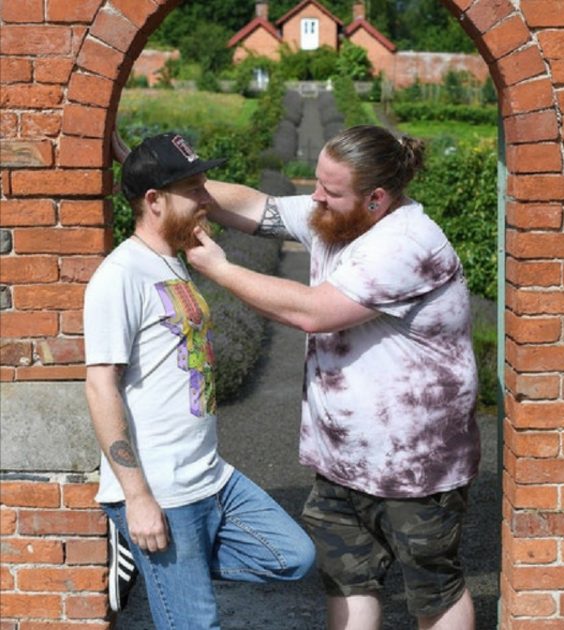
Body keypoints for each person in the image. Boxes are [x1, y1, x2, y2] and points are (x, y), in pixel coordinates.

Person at [185, 125, 481, 629]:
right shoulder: (335, 216)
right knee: (347, 579)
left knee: (433, 590)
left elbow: (314, 312)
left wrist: (219, 268)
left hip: (414, 464)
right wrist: (177, 183)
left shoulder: (407, 244)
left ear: (376, 199)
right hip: (341, 457)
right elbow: (261, 208)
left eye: (330, 191)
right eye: (318, 184)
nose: (315, 198)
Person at [83, 132, 315, 627]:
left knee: (292, 557)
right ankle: (149, 548)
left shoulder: (174, 259)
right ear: (154, 201)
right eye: (195, 189)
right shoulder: (119, 276)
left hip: (210, 476)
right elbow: (100, 386)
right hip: (163, 492)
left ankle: (160, 563)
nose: (207, 198)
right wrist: (137, 497)